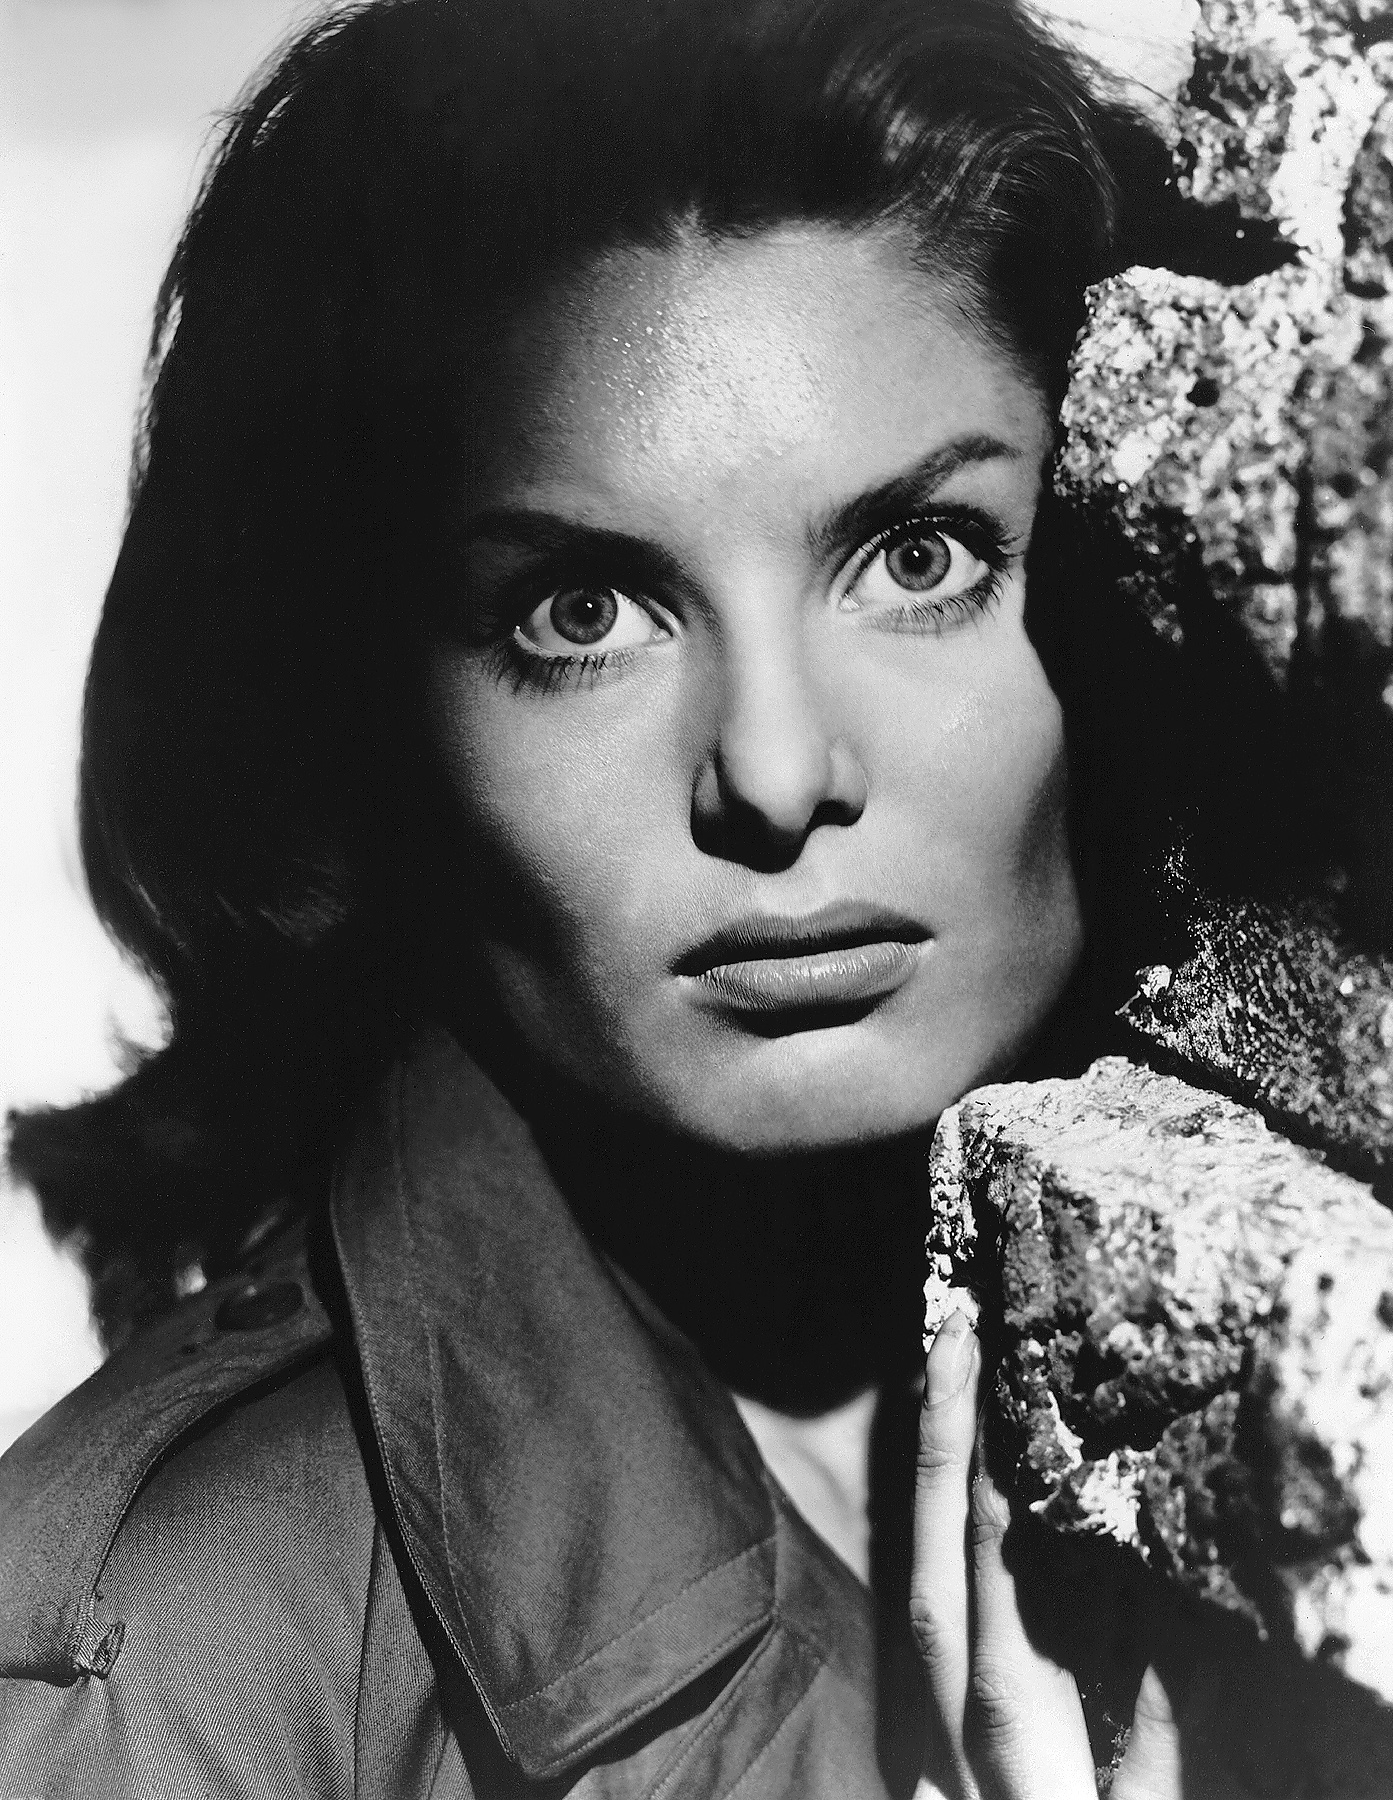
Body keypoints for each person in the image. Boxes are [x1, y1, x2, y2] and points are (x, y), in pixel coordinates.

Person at [0, 0, 1298, 1793]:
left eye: (920, 557)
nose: (772, 772)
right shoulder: (157, 1673)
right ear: (367, 716)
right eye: (583, 613)